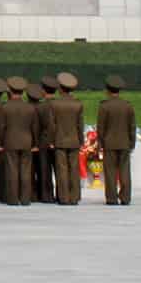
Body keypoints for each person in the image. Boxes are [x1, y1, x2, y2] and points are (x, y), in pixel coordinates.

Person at [96, 75, 136, 206]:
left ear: (107, 90)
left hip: (109, 143)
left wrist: (100, 143)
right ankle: (125, 197)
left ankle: (111, 198)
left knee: (110, 172)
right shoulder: (128, 106)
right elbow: (132, 126)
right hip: (125, 143)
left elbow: (101, 127)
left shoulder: (104, 106)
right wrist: (132, 143)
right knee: (125, 171)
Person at [50, 72, 85, 205]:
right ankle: (74, 197)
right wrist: (81, 141)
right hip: (74, 140)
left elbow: (52, 125)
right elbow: (79, 125)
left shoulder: (54, 104)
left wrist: (52, 140)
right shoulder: (78, 104)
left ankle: (63, 197)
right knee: (74, 169)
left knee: (62, 170)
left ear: (60, 88)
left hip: (59, 140)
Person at [0, 78, 35, 206]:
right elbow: (34, 127)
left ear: (10, 90)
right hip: (26, 141)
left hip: (10, 141)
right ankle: (25, 199)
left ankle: (13, 199)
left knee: (12, 170)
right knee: (25, 170)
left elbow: (2, 127)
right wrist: (34, 143)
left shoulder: (5, 107)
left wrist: (0, 142)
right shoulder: (30, 107)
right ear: (23, 91)